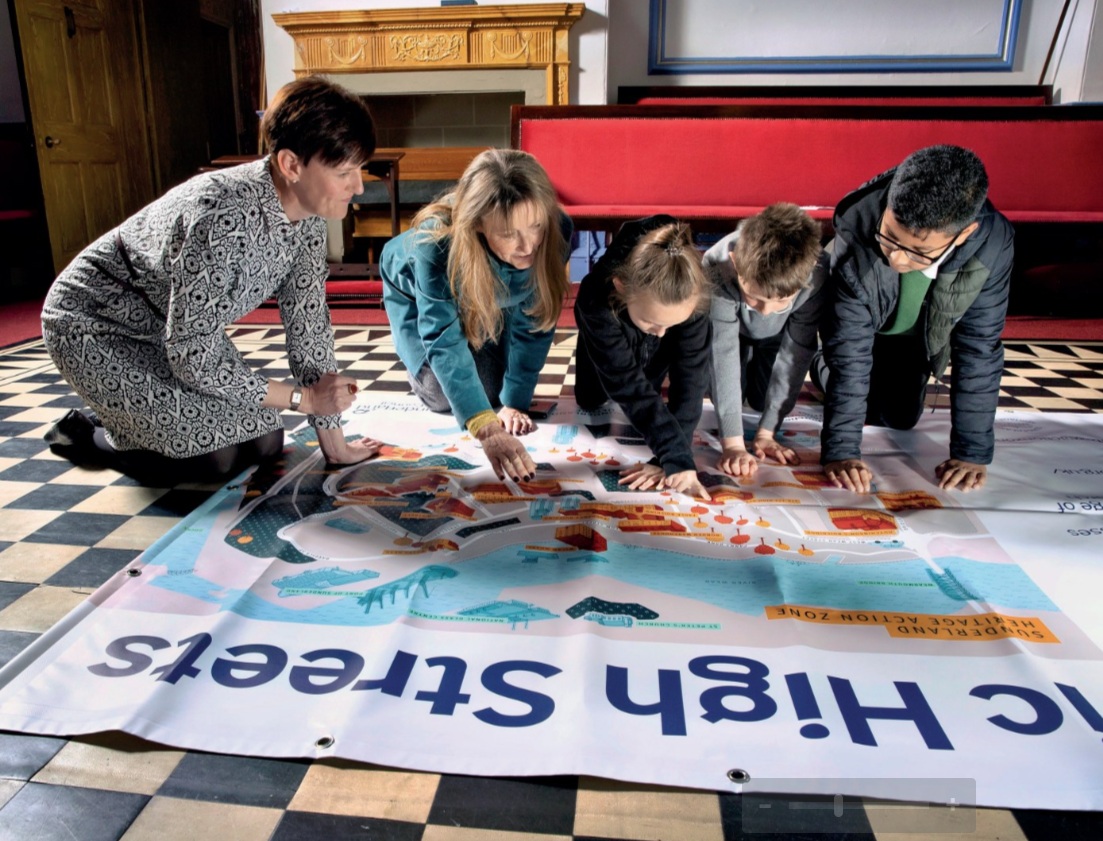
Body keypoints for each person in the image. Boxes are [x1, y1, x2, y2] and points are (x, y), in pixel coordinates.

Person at [41, 76, 382, 484]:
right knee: (210, 459)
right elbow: (192, 353)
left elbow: (308, 327)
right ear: (291, 165)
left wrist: (335, 444)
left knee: (265, 440)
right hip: (94, 324)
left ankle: (131, 409)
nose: (359, 186)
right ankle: (88, 432)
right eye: (345, 172)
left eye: (359, 170)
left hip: (172, 327)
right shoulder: (221, 215)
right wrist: (302, 399)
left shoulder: (308, 217)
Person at [818, 144, 1014, 493]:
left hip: (915, 339)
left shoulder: (992, 245)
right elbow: (850, 352)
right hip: (858, 329)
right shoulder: (859, 224)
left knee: (900, 418)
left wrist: (972, 453)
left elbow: (979, 348)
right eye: (890, 237)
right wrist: (841, 451)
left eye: (918, 253)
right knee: (848, 381)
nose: (897, 260)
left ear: (963, 234)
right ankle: (820, 362)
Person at [379, 148, 572, 482]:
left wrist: (516, 402)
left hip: (497, 287)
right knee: (450, 397)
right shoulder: (435, 248)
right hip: (415, 292)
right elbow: (443, 340)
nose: (529, 245)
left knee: (499, 393)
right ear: (480, 224)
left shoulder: (556, 231)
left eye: (535, 225)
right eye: (509, 233)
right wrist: (486, 427)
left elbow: (537, 319)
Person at [574, 215, 713, 500]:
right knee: (591, 398)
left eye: (671, 325)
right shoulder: (595, 297)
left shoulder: (690, 298)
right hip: (607, 332)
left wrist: (675, 458)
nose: (662, 333)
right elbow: (627, 385)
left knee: (651, 384)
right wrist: (672, 452)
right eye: (653, 322)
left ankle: (652, 328)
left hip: (642, 326)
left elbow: (691, 378)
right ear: (621, 287)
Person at [704, 203, 825, 479]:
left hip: (778, 335)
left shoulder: (816, 274)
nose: (766, 308)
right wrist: (733, 444)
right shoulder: (717, 265)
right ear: (735, 263)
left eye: (780, 300)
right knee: (727, 389)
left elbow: (796, 351)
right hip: (734, 332)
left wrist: (767, 432)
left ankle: (819, 366)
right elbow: (722, 353)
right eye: (755, 297)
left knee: (761, 402)